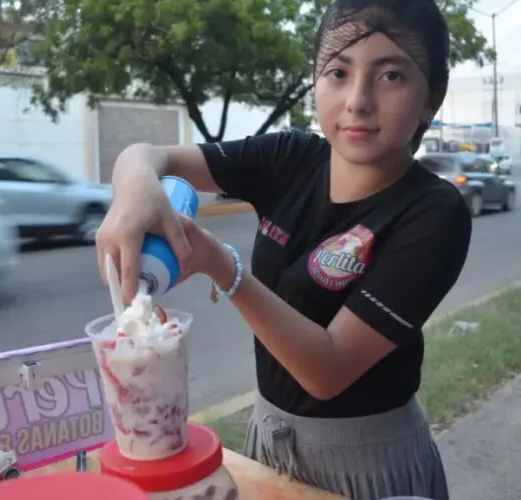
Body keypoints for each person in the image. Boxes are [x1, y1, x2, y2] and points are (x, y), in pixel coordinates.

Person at [96, 0, 471, 498]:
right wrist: (136, 185)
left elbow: (327, 369)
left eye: (391, 77)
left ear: (432, 99)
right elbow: (148, 155)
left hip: (369, 464)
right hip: (269, 442)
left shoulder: (433, 212)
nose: (357, 100)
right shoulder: (292, 157)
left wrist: (220, 266)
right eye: (338, 72)